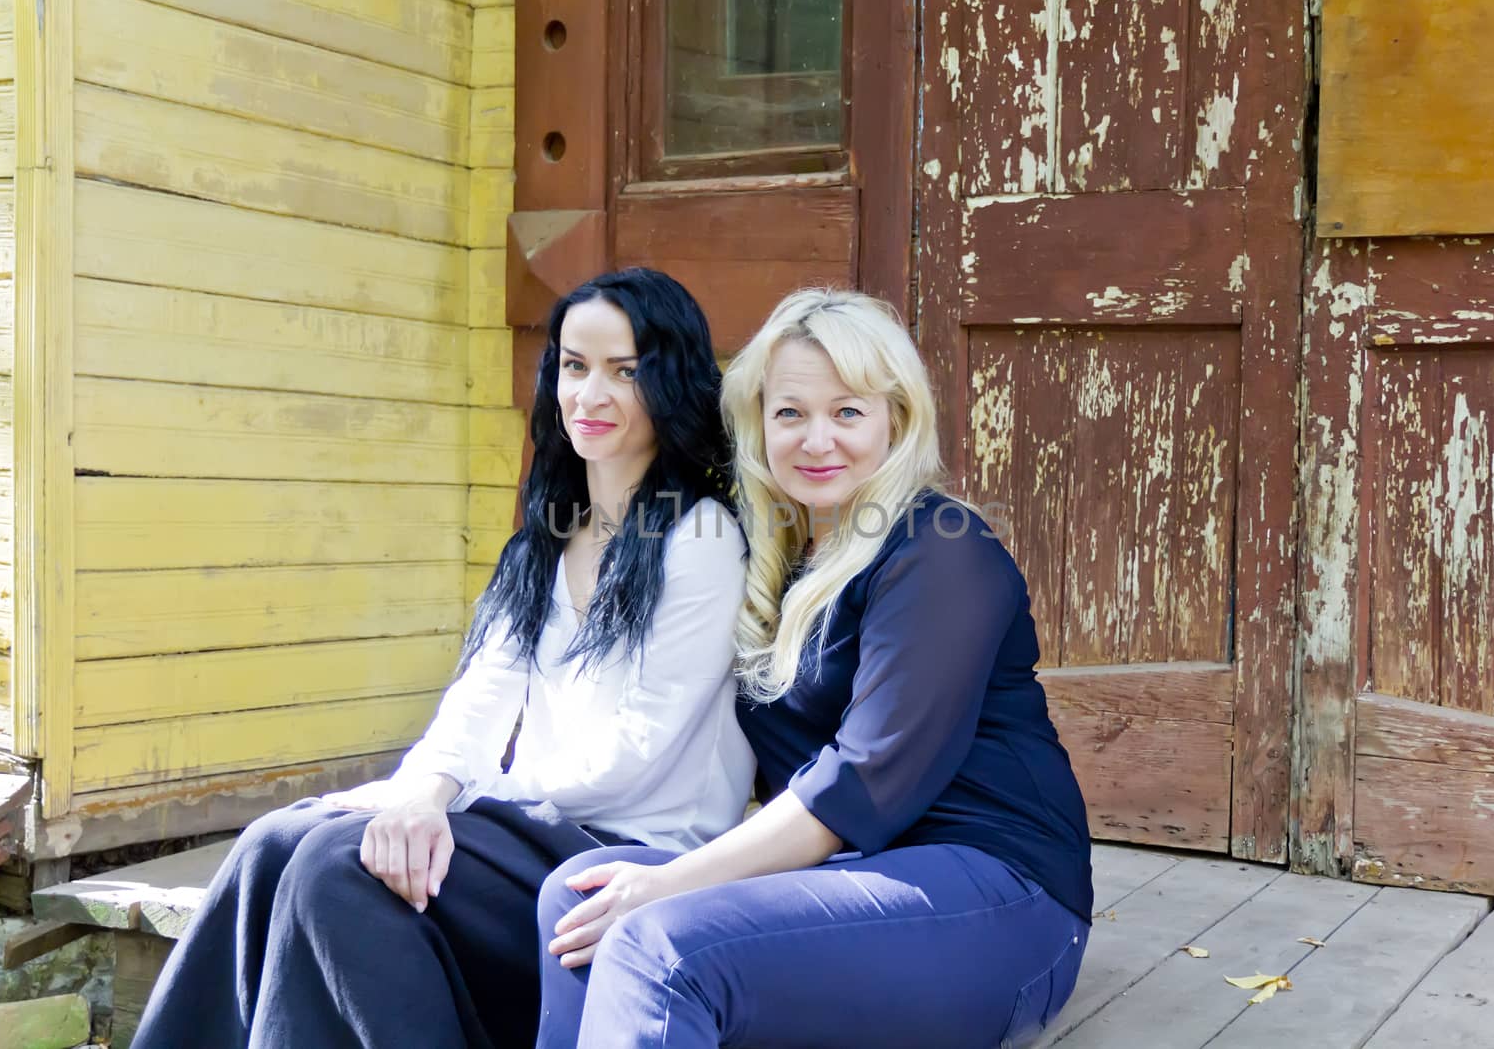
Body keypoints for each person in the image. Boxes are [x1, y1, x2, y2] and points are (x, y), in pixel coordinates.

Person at [131, 268, 756, 1049]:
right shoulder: (547, 538)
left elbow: (632, 757)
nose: (589, 394)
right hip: (530, 827)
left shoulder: (701, 539)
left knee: (339, 867)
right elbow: (477, 700)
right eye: (573, 365)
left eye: (624, 371)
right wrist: (420, 790)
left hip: (626, 851)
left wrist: (449, 807)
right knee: (272, 843)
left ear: (669, 381)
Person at [534, 289, 1095, 1049]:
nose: (816, 439)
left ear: (895, 419)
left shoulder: (941, 550)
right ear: (760, 426)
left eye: (848, 412)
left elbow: (861, 783)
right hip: (852, 882)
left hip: (999, 893)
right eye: (791, 413)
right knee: (579, 896)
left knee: (656, 942)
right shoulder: (778, 560)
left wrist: (674, 879)